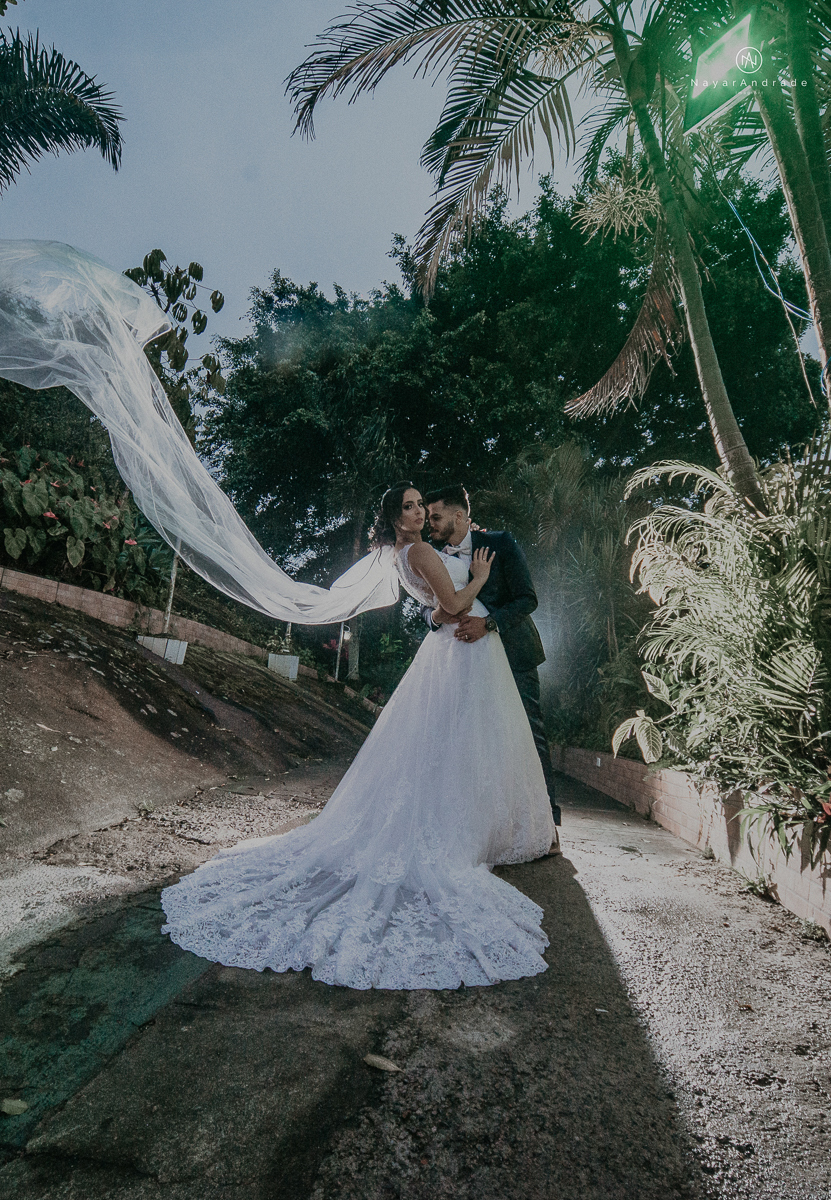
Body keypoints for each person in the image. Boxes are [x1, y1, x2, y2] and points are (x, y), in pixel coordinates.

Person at [161, 483, 555, 990]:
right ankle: (463, 834)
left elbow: (445, 608)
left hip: (469, 651)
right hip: (462, 651)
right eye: (412, 507)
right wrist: (476, 579)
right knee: (463, 744)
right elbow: (452, 604)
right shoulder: (418, 551)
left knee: (463, 745)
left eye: (424, 506)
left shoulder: (410, 553)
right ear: (396, 517)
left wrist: (455, 606)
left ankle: (495, 827)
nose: (422, 513)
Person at [421, 484, 562, 835]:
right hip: (465, 662)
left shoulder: (500, 543)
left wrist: (488, 624)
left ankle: (548, 822)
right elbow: (426, 607)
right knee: (477, 739)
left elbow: (527, 598)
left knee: (528, 733)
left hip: (513, 654)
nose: (429, 523)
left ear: (458, 516)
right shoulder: (433, 555)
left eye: (435, 516)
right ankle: (487, 822)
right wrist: (437, 617)